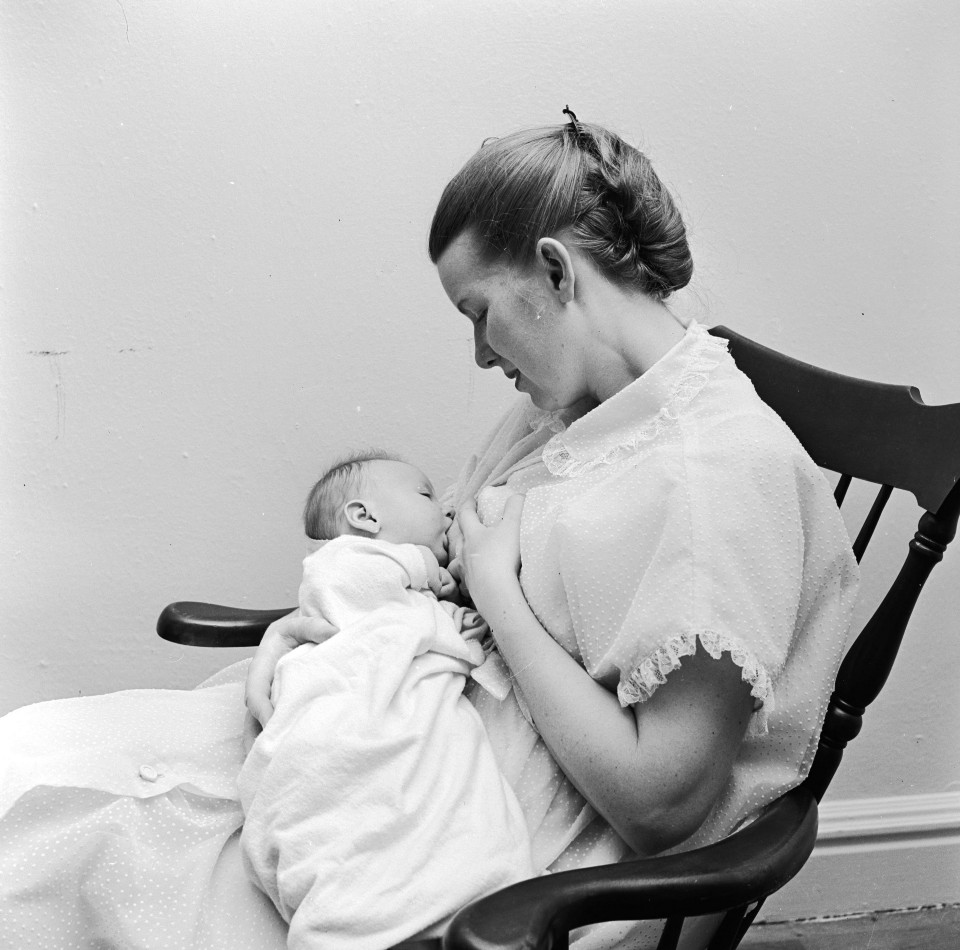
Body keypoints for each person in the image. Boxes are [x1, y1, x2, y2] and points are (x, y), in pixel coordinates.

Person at [0, 116, 859, 950]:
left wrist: (492, 591)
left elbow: (659, 805)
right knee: (30, 761)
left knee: (69, 844)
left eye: (478, 311)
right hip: (403, 741)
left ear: (557, 272)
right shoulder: (576, 411)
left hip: (506, 856)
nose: (482, 354)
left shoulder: (712, 480)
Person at [239, 452, 533, 950]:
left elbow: (408, 625)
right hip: (340, 706)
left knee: (441, 800)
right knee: (345, 788)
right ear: (365, 518)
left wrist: (446, 621)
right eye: (426, 496)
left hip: (403, 703)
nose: (444, 511)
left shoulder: (401, 592)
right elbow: (366, 603)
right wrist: (434, 581)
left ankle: (397, 905)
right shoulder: (346, 563)